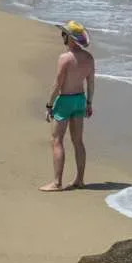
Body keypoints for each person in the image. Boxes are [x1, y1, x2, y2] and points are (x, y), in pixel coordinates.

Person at [41, 21, 95, 192]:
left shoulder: (65, 58)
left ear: (70, 38)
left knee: (57, 140)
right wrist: (89, 102)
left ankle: (57, 182)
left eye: (64, 34)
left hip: (65, 101)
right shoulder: (88, 58)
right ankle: (80, 179)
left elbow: (58, 84)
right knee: (78, 141)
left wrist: (49, 104)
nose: (62, 37)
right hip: (80, 99)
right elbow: (91, 82)